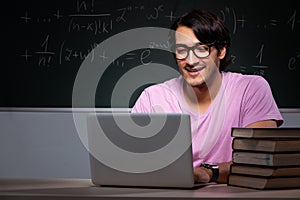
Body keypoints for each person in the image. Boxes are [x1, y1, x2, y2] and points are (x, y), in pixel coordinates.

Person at [131, 9, 283, 183]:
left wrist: (209, 172)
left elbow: (260, 159)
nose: (190, 61)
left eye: (201, 49)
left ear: (221, 51)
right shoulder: (153, 97)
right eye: (181, 50)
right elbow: (135, 159)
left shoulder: (251, 88)